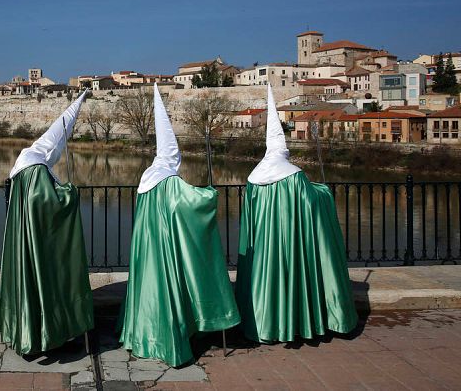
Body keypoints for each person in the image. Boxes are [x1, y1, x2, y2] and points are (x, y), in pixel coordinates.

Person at [119, 84, 239, 366]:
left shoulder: (148, 179)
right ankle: (169, 339)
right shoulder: (170, 182)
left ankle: (142, 334)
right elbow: (189, 203)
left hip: (148, 248)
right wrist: (209, 194)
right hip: (166, 249)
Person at [235, 85, 357, 343]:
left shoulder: (254, 178)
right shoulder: (294, 175)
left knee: (264, 278)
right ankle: (297, 322)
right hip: (291, 242)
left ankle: (263, 322)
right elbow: (309, 202)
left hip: (263, 246)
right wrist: (322, 191)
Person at [0, 91, 94, 355]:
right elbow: (46, 202)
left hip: (23, 235)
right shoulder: (37, 169)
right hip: (39, 239)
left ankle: (24, 329)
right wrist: (69, 194)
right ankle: (44, 332)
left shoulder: (24, 164)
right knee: (45, 278)